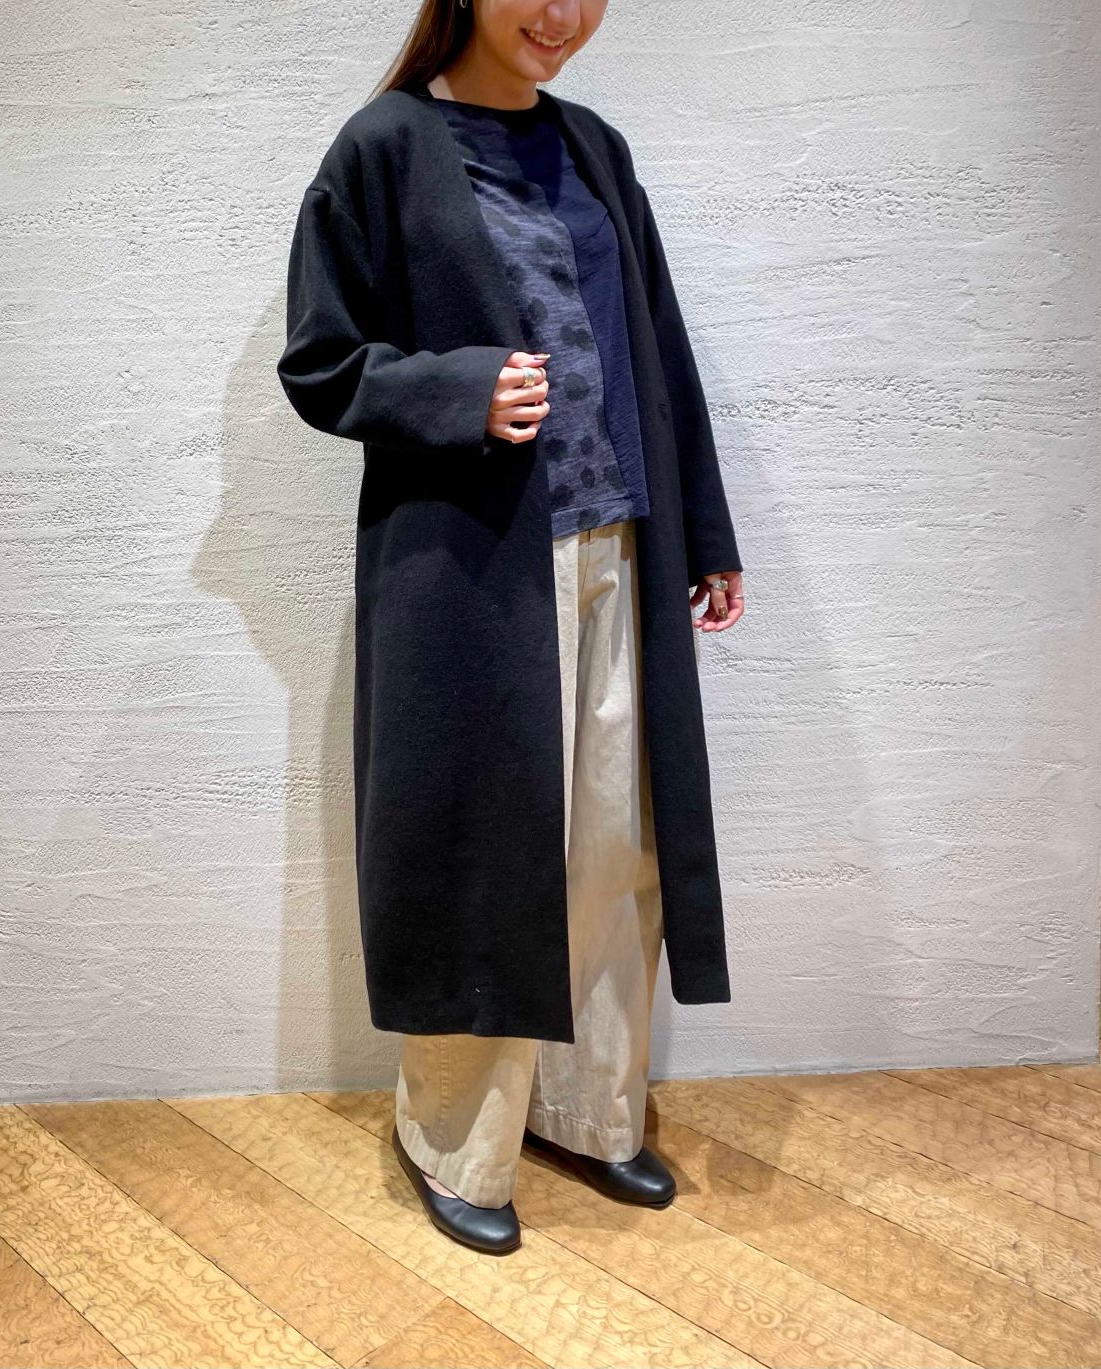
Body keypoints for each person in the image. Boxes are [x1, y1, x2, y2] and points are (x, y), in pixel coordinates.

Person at [277, 0, 745, 1256]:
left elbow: (659, 353)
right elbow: (320, 363)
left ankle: (588, 1110)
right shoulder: (384, 145)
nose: (560, 15)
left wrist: (703, 530)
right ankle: (454, 1139)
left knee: (610, 848)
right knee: (482, 853)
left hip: (620, 549)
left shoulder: (593, 146)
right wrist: (458, 389)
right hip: (474, 575)